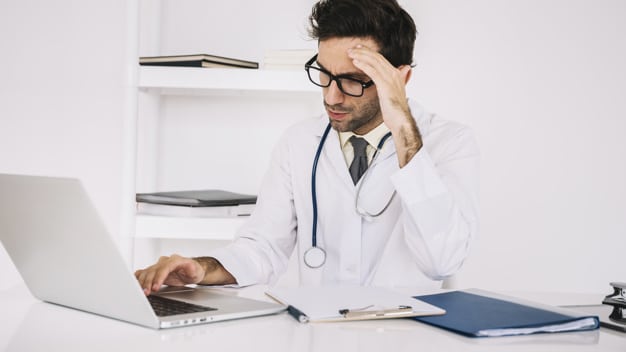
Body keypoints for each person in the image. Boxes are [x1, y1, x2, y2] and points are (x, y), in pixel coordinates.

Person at [135, 0, 479, 295]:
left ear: (399, 79)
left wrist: (404, 129)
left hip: (405, 337)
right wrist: (202, 267)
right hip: (319, 334)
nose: (332, 96)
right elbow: (263, 247)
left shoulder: (448, 143)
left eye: (352, 81)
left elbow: (442, 260)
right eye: (325, 74)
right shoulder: (299, 142)